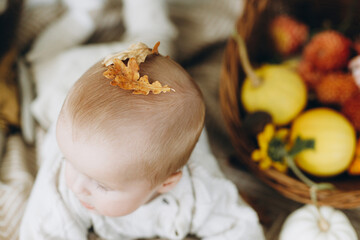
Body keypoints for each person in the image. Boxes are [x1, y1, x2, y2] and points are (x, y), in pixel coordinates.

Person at [20, 43, 265, 240]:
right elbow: (42, 232)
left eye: (102, 186)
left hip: (153, 127)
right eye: (67, 160)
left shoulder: (200, 191)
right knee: (48, 87)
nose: (75, 185)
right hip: (73, 79)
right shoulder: (61, 189)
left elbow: (240, 229)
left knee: (159, 49)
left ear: (166, 183)